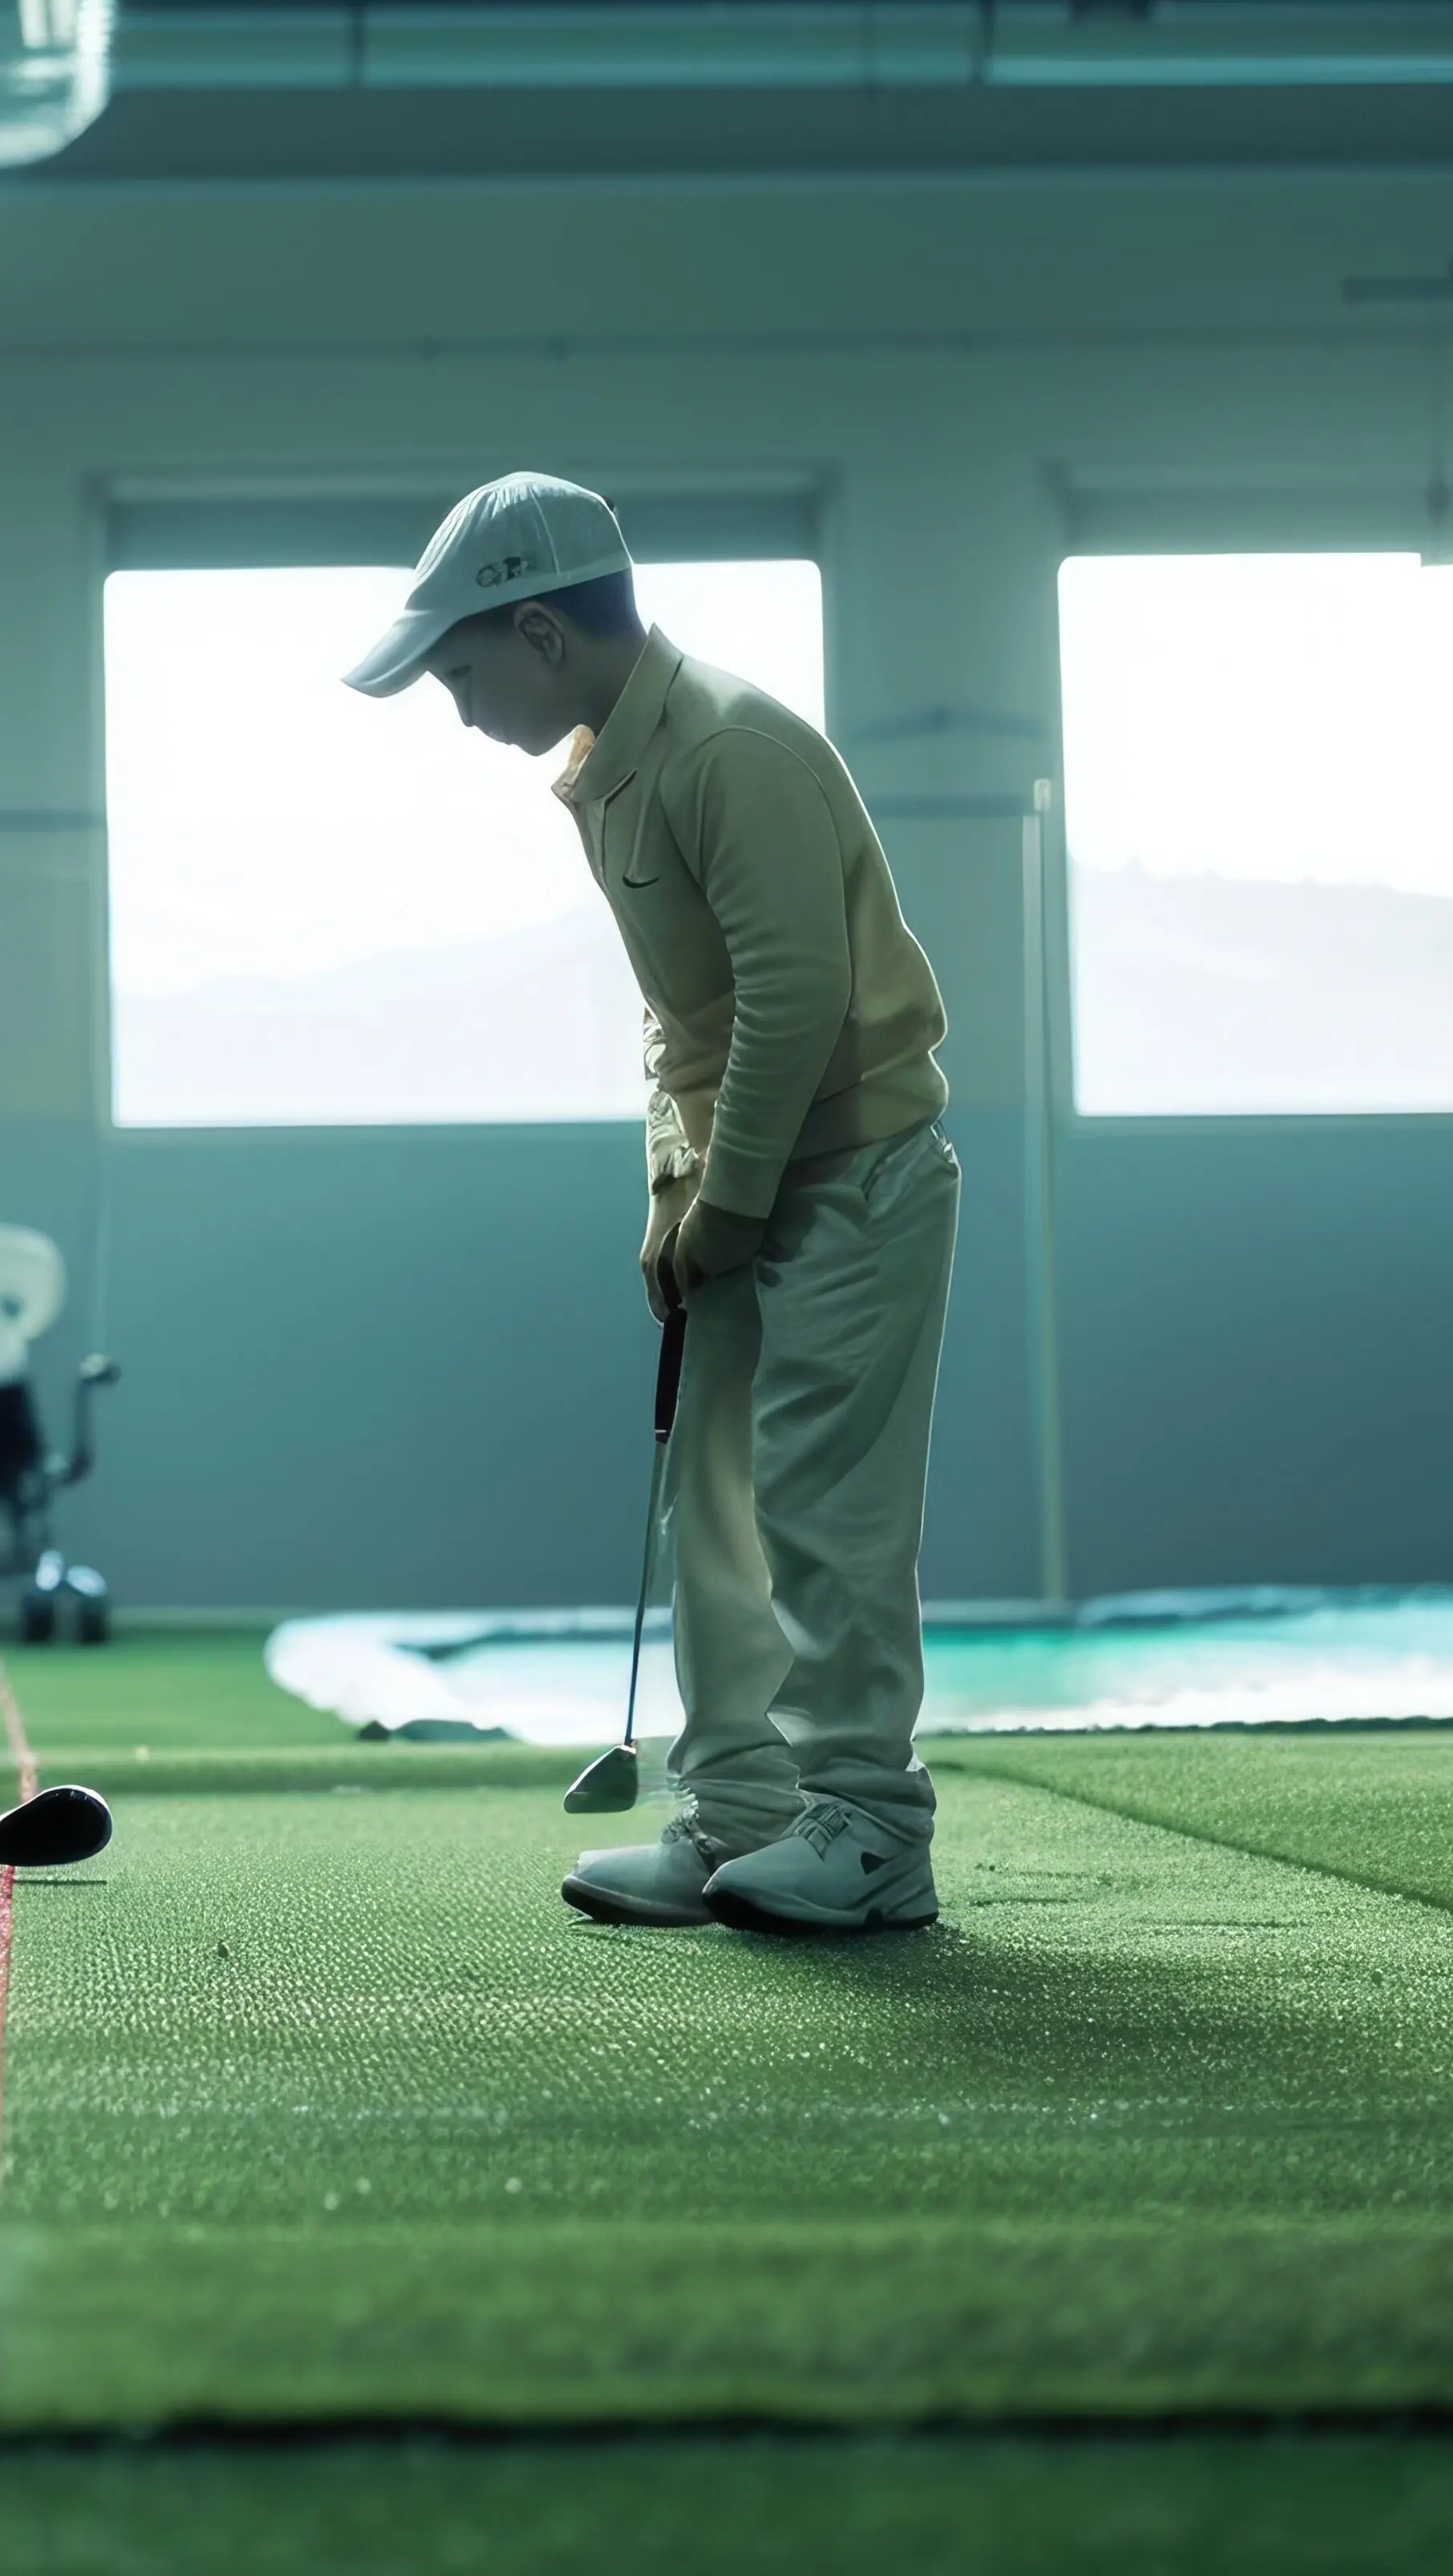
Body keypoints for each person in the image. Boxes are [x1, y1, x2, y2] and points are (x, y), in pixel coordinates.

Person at [346, 474, 963, 1933]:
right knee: (718, 1507)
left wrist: (733, 1195)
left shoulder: (731, 748)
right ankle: (745, 1810)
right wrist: (679, 1190)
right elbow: (681, 1018)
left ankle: (872, 1828)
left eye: (460, 672)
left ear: (543, 631)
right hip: (754, 1181)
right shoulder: (616, 762)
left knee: (825, 1509)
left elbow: (796, 998)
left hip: (856, 1176)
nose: (459, 707)